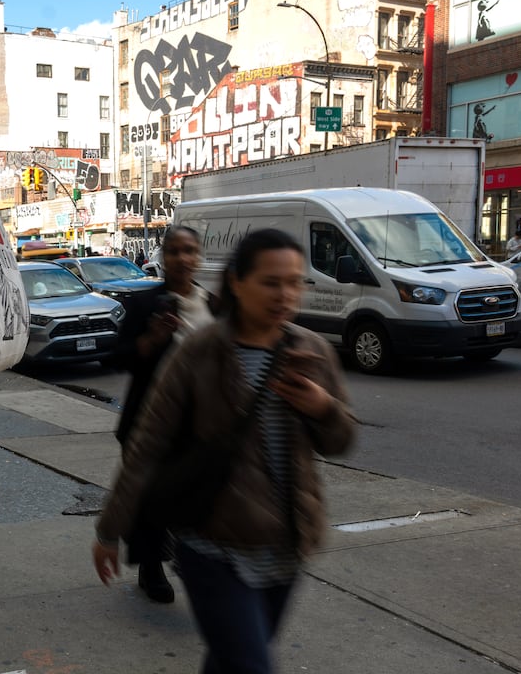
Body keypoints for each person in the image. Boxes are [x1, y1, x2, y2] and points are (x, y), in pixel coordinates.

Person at [92, 228, 356, 674]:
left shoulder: (310, 350)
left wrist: (323, 407)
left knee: (231, 661)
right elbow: (148, 444)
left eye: (294, 282)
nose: (285, 294)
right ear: (237, 281)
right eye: (271, 282)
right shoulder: (200, 352)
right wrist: (109, 529)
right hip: (212, 546)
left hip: (286, 546)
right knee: (251, 665)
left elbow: (341, 440)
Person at [111, 226, 216, 603]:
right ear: (163, 257)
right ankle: (152, 568)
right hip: (150, 424)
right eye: (174, 251)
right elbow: (119, 357)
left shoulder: (214, 306)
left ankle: (194, 564)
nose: (183, 259)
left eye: (190, 251)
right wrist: (151, 339)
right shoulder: (145, 305)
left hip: (199, 426)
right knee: (151, 502)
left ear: (198, 256)